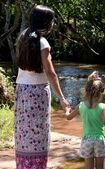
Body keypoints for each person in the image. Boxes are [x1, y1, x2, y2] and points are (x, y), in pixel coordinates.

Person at [14, 5, 69, 169]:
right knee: (38, 134)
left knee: (24, 134)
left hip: (22, 92)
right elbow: (51, 73)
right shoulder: (43, 43)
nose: (53, 24)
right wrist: (62, 98)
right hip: (37, 94)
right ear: (45, 22)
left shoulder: (23, 36)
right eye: (51, 21)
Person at [65, 71, 105, 169]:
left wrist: (67, 110)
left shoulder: (81, 105)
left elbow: (68, 117)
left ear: (86, 90)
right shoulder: (102, 107)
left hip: (86, 140)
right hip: (99, 140)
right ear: (100, 92)